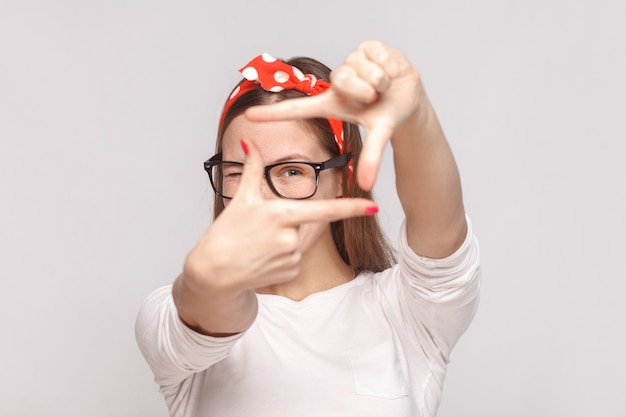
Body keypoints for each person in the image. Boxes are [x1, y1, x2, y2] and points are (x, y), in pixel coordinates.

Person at [135, 40, 480, 417]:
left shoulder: (406, 310)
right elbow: (211, 312)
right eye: (237, 172)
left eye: (293, 171)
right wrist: (206, 282)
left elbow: (442, 237)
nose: (264, 196)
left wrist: (416, 119)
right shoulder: (167, 317)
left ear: (343, 179)